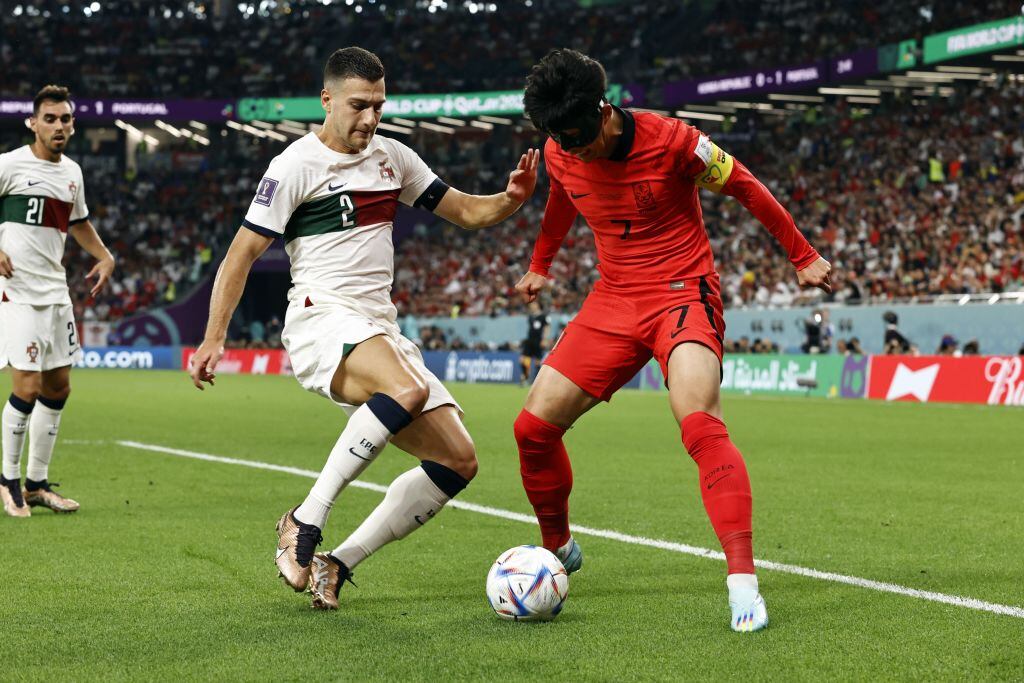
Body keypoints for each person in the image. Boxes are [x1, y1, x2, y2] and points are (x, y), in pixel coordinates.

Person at [187, 47, 538, 610]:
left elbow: (467, 212)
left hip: (379, 326)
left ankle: (336, 563)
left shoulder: (393, 158)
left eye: (378, 105)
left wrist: (510, 200)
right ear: (326, 100)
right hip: (321, 317)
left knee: (458, 461)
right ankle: (304, 520)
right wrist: (214, 337)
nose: (370, 118)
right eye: (358, 105)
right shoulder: (293, 166)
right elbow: (240, 256)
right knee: (407, 387)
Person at [512, 49, 831, 633]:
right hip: (612, 299)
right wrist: (542, 264)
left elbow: (747, 187)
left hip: (682, 294)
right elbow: (561, 201)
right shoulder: (562, 150)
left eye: (582, 138)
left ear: (605, 111)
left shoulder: (675, 142)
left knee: (699, 424)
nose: (574, 149)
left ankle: (743, 586)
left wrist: (802, 255)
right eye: (562, 140)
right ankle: (557, 547)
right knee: (531, 429)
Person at [0, 85, 115, 518]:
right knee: (25, 387)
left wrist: (104, 255)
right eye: (50, 118)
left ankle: (36, 484)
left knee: (58, 387)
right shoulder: (9, 164)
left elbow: (79, 221)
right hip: (17, 293)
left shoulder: (72, 173)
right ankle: (7, 481)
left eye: (65, 118)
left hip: (55, 292)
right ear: (33, 122)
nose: (59, 126)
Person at [519, 300, 550, 386]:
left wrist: (545, 339)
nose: (532, 306)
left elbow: (547, 327)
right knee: (522, 359)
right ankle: (525, 377)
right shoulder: (530, 316)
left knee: (537, 361)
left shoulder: (543, 316)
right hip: (529, 340)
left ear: (538, 305)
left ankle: (536, 381)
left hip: (538, 340)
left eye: (534, 304)